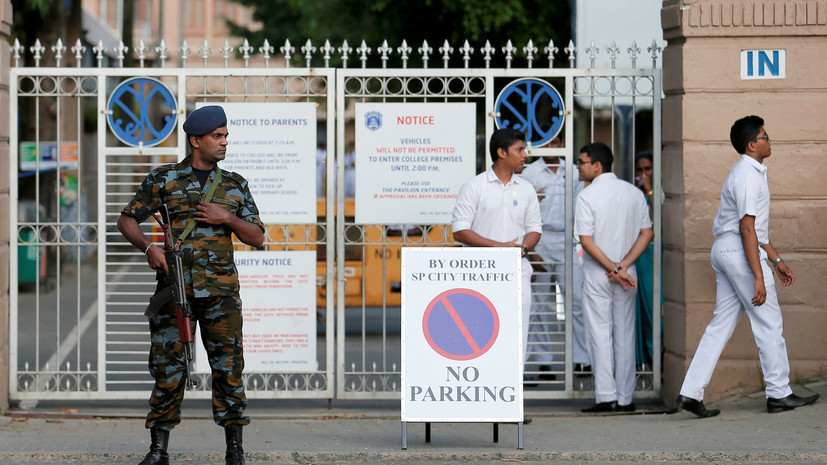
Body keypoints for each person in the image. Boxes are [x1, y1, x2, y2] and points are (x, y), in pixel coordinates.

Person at [117, 105, 265, 465]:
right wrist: (150, 247)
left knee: (228, 370)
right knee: (169, 370)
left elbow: (258, 237)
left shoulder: (234, 184)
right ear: (195, 140)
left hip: (221, 295)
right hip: (174, 291)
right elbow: (127, 220)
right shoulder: (164, 179)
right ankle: (158, 450)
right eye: (217, 136)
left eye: (226, 135)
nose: (224, 142)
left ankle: (234, 451)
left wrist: (226, 217)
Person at [676, 115, 819, 418]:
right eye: (766, 136)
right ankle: (779, 393)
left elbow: (758, 231)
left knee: (720, 325)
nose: (770, 140)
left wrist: (776, 260)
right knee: (769, 321)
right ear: (753, 145)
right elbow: (746, 228)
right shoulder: (746, 174)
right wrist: (758, 275)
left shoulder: (751, 172)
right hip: (738, 251)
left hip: (730, 250)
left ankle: (690, 393)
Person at [451, 128, 542, 365]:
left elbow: (534, 229)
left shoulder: (527, 189)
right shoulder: (474, 186)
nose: (525, 155)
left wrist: (522, 249)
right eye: (519, 149)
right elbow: (460, 230)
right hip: (478, 272)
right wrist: (498, 247)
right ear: (501, 152)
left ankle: (512, 396)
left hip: (516, 270)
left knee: (517, 335)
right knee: (477, 335)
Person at [574, 142, 653, 413]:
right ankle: (625, 398)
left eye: (582, 162)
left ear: (597, 166)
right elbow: (647, 233)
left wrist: (612, 268)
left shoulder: (587, 196)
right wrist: (623, 267)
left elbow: (586, 240)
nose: (578, 166)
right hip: (626, 271)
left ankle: (606, 397)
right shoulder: (633, 193)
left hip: (599, 271)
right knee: (625, 332)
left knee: (599, 332)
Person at [521, 134, 590, 381]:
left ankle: (581, 360)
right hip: (538, 238)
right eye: (548, 143)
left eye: (556, 143)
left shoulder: (572, 172)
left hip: (565, 238)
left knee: (576, 299)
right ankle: (541, 361)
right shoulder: (530, 172)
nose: (553, 147)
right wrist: (530, 247)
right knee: (536, 304)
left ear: (562, 144)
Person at [632, 152, 657, 370]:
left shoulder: (660, 193)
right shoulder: (632, 195)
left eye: (647, 169)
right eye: (639, 170)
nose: (642, 174)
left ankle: (659, 358)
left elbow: (660, 214)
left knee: (655, 307)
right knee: (640, 308)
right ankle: (646, 361)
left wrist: (649, 188)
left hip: (656, 255)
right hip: (637, 256)